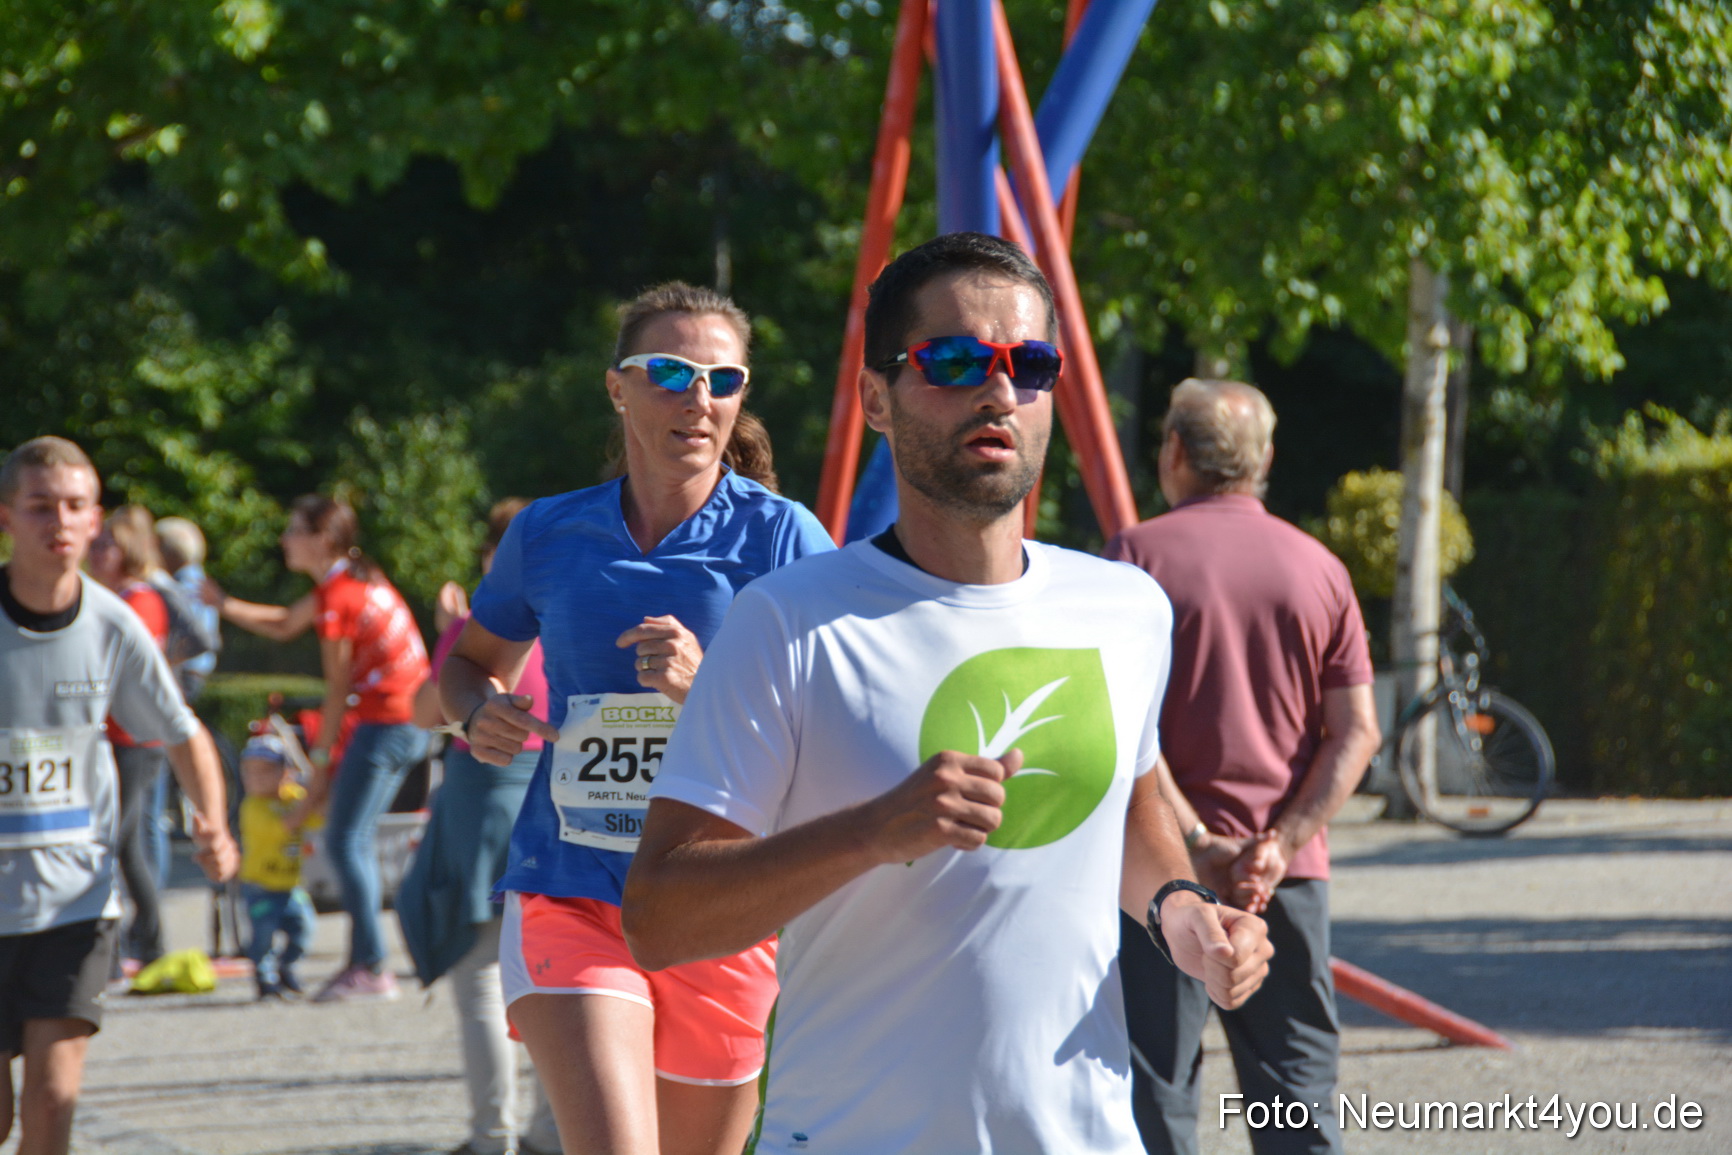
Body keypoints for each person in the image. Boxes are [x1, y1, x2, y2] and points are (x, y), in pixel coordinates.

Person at [620, 233, 1273, 1155]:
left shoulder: (1125, 609)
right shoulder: (789, 622)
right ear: (875, 399)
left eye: (1029, 363)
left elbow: (1128, 808)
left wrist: (1184, 914)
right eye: (956, 360)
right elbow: (657, 916)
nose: (999, 390)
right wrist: (871, 832)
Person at [440, 281, 834, 1155]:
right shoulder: (546, 534)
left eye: (722, 379)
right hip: (568, 888)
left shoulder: (784, 539)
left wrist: (709, 688)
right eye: (670, 371)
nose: (698, 398)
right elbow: (465, 669)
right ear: (617, 387)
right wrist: (478, 714)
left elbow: (841, 728)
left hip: (719, 902)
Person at [1103, 379, 1383, 1155]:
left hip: (1158, 878)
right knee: (1295, 1095)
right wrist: (1281, 841)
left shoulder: (1132, 559)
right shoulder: (1321, 567)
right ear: (1265, 460)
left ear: (1174, 454)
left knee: (1155, 1097)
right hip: (1285, 882)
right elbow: (1357, 730)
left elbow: (1119, 726)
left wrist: (1198, 837)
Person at [0, 436, 237, 1155]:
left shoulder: (113, 622)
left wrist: (214, 822)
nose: (60, 522)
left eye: (75, 506)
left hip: (76, 899)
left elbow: (181, 731)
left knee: (52, 1101)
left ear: (96, 516)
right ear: (7, 515)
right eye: (41, 506)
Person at [206, 495, 431, 1003]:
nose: (284, 539)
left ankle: (371, 966)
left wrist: (322, 760)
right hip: (406, 719)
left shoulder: (339, 598)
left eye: (292, 530)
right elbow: (286, 623)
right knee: (356, 840)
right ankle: (373, 960)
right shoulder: (351, 580)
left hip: (387, 723)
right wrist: (223, 604)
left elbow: (336, 688)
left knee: (346, 841)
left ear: (322, 540)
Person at [400, 498, 559, 1155]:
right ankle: (553, 1132)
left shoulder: (475, 631)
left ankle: (492, 1134)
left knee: (481, 981)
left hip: (483, 805)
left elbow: (420, 711)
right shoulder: (575, 622)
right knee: (560, 976)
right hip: (557, 804)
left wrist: (452, 631)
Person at [85, 504, 174, 967]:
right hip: (131, 738)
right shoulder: (132, 597)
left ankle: (115, 951)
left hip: (135, 740)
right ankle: (149, 944)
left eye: (105, 545)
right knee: (130, 846)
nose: (95, 552)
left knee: (113, 843)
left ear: (127, 551)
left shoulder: (135, 601)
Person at [235, 733, 318, 1000]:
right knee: (263, 937)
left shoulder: (294, 796)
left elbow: (318, 819)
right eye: (250, 772)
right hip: (261, 886)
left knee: (303, 930)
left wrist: (315, 791)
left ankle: (288, 966)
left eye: (267, 770)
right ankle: (264, 980)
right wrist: (309, 801)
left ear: (286, 772)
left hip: (292, 885)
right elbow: (286, 826)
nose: (257, 778)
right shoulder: (252, 808)